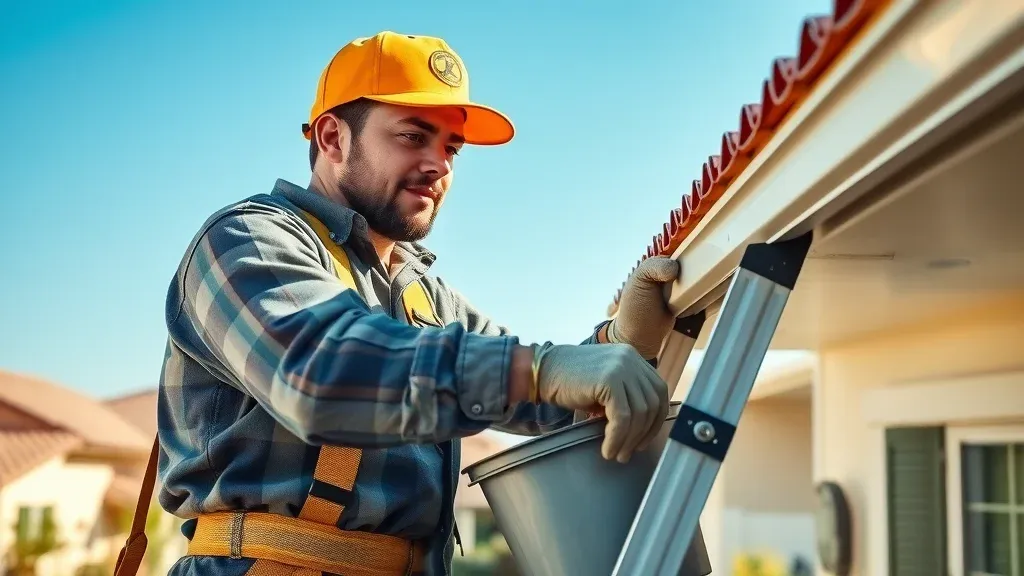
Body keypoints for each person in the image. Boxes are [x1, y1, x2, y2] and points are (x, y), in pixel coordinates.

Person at [153, 31, 682, 576]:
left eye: (450, 148)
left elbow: (548, 399)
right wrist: (542, 370)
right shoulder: (247, 240)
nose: (440, 165)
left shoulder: (425, 296)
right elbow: (320, 375)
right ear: (333, 138)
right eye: (413, 136)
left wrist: (619, 344)